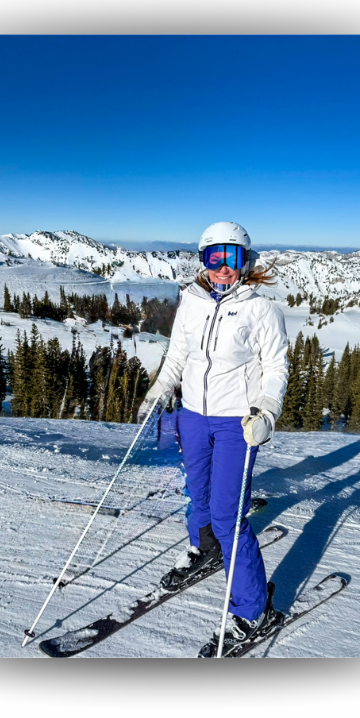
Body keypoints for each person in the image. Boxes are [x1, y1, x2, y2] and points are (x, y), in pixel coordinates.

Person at [137, 221, 289, 656]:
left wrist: (267, 410)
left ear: (247, 262)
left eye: (233, 258)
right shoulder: (192, 300)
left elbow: (276, 367)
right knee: (197, 493)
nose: (223, 267)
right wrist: (160, 388)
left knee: (228, 515)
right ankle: (204, 549)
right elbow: (179, 354)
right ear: (203, 260)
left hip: (235, 423)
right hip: (193, 417)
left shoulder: (260, 309)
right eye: (214, 258)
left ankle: (253, 609)